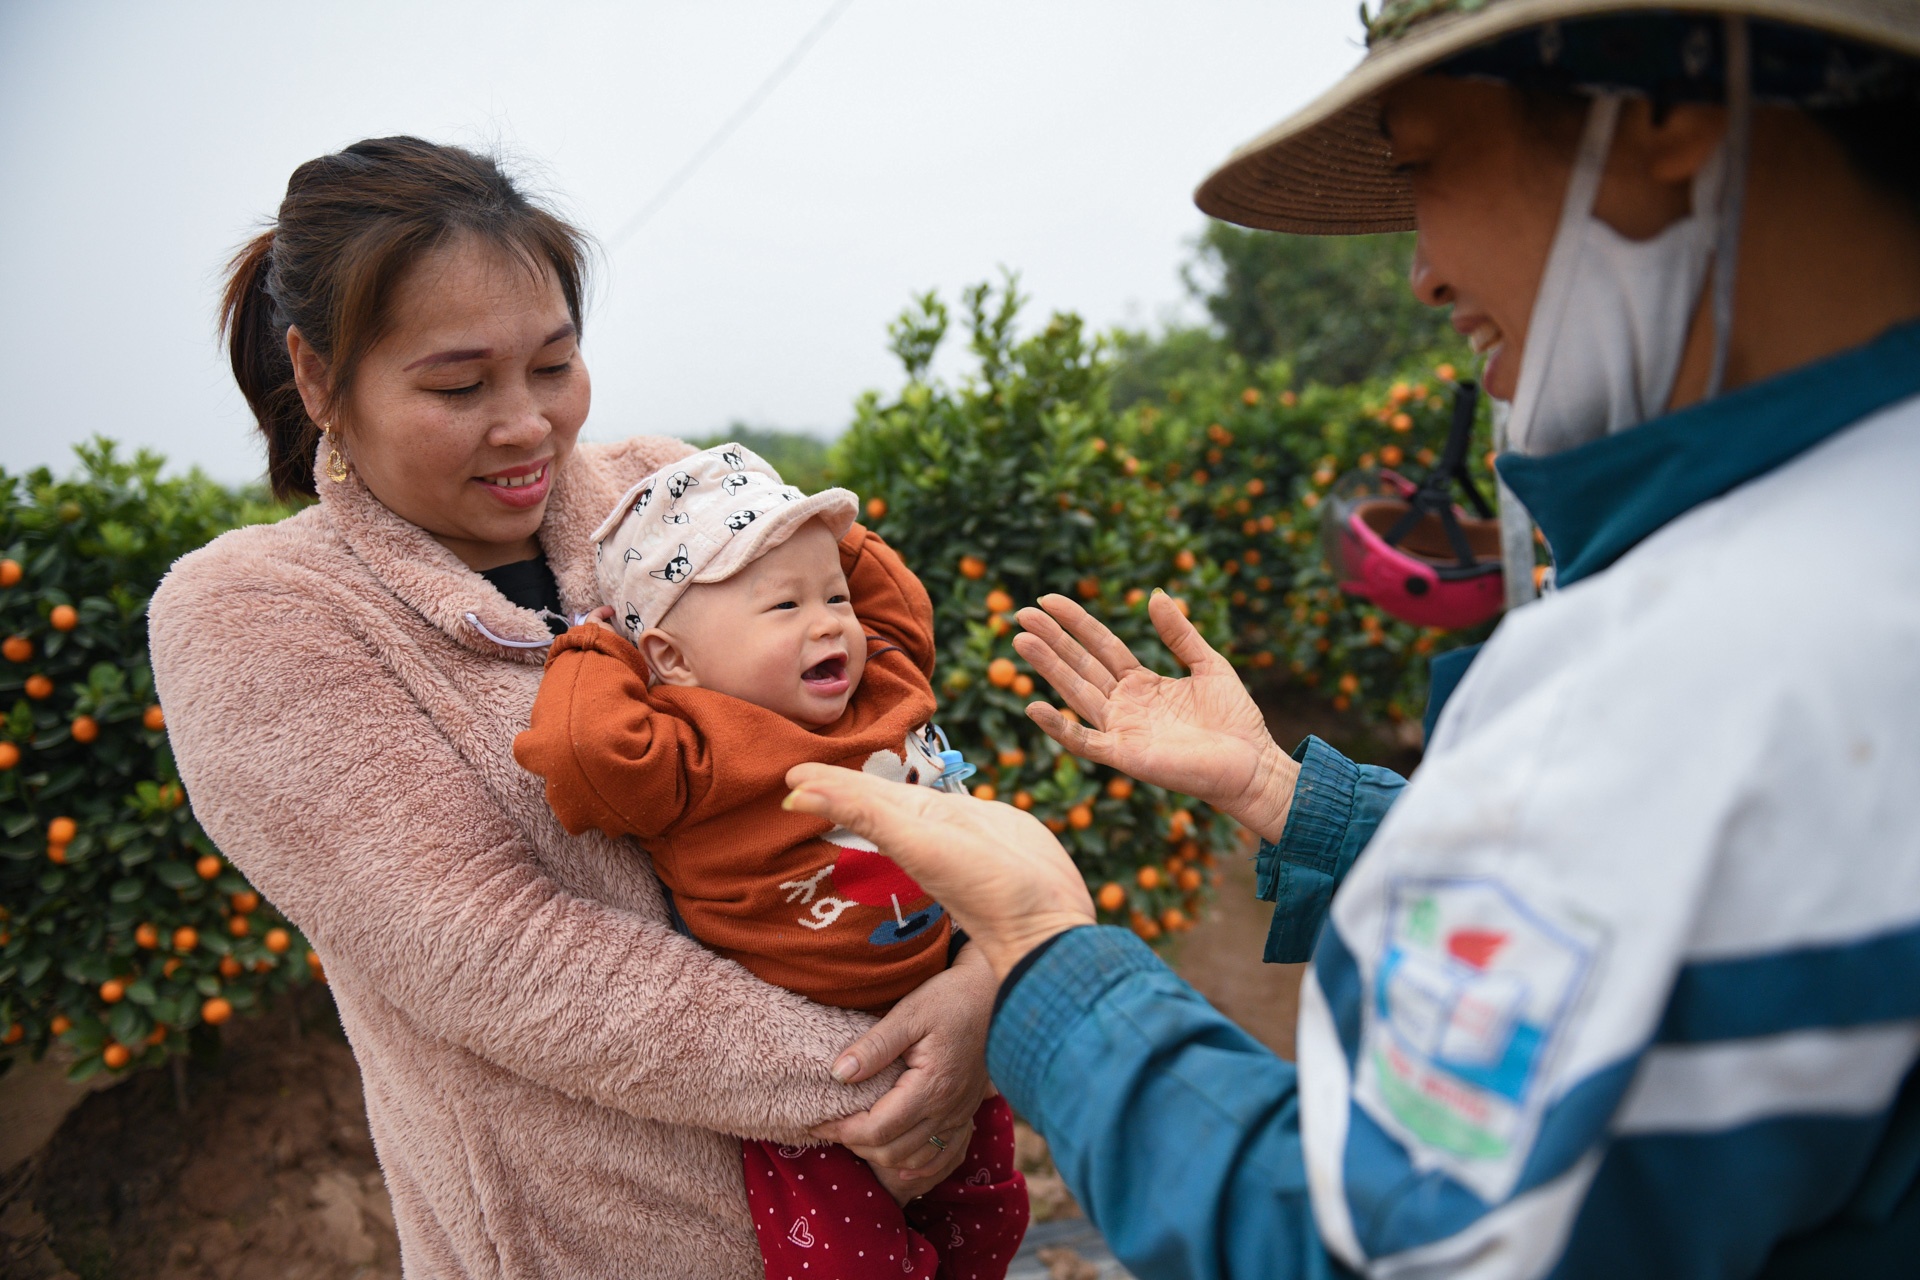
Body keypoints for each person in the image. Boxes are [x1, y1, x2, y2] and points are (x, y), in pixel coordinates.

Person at [780, 2, 1920, 1276]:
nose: (1423, 271)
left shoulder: (1697, 661)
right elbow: (1672, 939)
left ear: (1661, 107)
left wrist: (1049, 951)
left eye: (1423, 164)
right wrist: (1284, 793)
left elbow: (1359, 1243)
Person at [148, 137, 997, 1278]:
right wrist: (894, 1071)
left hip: (896, 1196)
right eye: (458, 384)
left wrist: (991, 973)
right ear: (316, 378)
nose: (527, 426)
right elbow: (487, 946)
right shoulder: (257, 611)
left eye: (554, 365)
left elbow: (883, 734)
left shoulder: (669, 497)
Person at [513, 442, 1028, 1279]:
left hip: (949, 1006)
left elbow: (896, 602)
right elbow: (580, 750)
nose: (829, 620)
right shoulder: (692, 749)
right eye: (782, 605)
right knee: (850, 1265)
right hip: (815, 1085)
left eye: (832, 595)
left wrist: (818, 531)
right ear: (675, 661)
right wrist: (598, 647)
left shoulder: (883, 680)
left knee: (988, 1214)